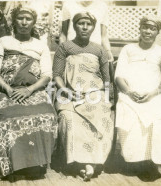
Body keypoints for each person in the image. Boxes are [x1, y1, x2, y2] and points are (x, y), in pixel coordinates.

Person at [0, 6, 58, 179]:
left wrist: (29, 90)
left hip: (33, 90)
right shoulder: (4, 41)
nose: (24, 23)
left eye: (28, 19)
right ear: (14, 21)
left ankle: (34, 163)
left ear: (33, 22)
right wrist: (9, 90)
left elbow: (47, 75)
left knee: (46, 113)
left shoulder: (40, 46)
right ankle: (9, 165)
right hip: (6, 90)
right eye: (20, 18)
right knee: (6, 115)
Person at [53, 12, 114, 181]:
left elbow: (107, 79)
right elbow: (57, 74)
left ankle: (92, 163)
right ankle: (79, 162)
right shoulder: (65, 48)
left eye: (89, 24)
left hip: (95, 94)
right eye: (81, 23)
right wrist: (64, 90)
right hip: (70, 93)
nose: (85, 27)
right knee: (68, 118)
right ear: (74, 26)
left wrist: (109, 98)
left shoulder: (99, 50)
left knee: (103, 118)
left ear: (94, 27)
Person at [114, 16, 161, 180]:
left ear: (157, 32)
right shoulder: (128, 49)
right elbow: (118, 76)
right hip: (129, 94)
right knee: (131, 116)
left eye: (152, 28)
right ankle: (138, 161)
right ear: (140, 29)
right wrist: (128, 91)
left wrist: (152, 94)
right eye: (145, 27)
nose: (148, 31)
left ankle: (156, 160)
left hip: (154, 95)